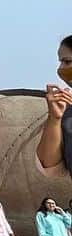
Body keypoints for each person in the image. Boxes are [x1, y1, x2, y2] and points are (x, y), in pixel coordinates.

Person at [36, 36, 72, 177]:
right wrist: (55, 118)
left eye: (67, 62)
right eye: (61, 62)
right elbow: (49, 166)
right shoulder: (67, 113)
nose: (61, 69)